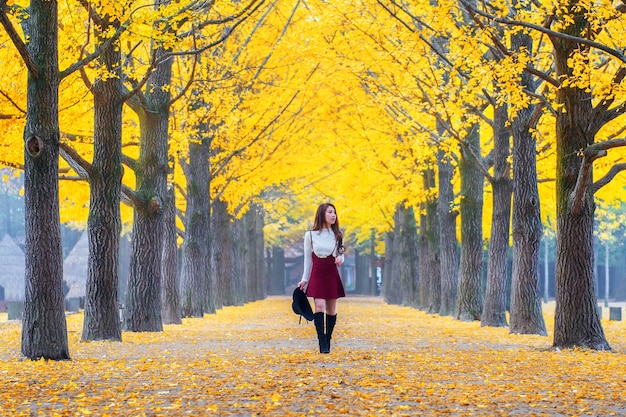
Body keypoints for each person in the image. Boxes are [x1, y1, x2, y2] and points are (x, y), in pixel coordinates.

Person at [298, 203, 345, 354]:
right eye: (330, 212)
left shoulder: (337, 235)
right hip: (317, 273)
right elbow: (308, 259)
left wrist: (340, 259)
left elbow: (340, 253)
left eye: (335, 212)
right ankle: (322, 343)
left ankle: (328, 338)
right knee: (319, 307)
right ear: (322, 214)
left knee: (331, 310)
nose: (333, 215)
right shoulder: (310, 235)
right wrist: (304, 279)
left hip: (331, 273)